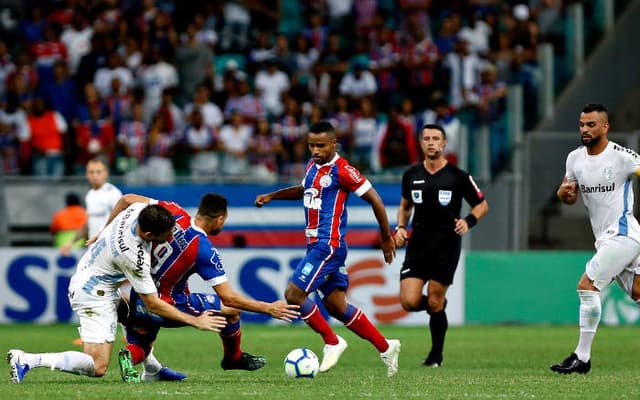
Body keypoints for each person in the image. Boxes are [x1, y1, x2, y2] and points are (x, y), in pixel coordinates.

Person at [7, 203, 227, 384]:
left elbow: (125, 198)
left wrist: (102, 230)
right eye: (165, 236)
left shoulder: (137, 210)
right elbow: (153, 304)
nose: (170, 238)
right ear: (149, 234)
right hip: (92, 295)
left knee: (136, 317)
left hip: (94, 277)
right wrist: (194, 321)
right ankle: (27, 360)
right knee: (97, 365)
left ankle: (152, 370)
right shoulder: (134, 256)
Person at [254, 120, 401, 378]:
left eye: (321, 145)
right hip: (316, 245)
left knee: (293, 293)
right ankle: (386, 346)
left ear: (334, 143)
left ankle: (332, 341)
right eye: (311, 145)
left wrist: (386, 236)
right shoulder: (313, 166)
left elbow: (375, 199)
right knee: (336, 306)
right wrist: (273, 195)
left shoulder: (343, 170)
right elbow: (305, 190)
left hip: (328, 246)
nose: (315, 150)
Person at [100, 193, 299, 382]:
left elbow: (127, 199)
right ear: (220, 219)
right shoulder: (203, 249)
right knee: (230, 312)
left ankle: (130, 356)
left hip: (142, 296)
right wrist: (268, 308)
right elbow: (229, 298)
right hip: (171, 304)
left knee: (142, 343)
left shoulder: (173, 211)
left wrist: (103, 232)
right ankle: (233, 358)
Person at [551, 103, 640, 374]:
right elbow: (567, 193)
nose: (585, 129)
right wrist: (563, 195)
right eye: (581, 124)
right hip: (605, 238)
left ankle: (582, 357)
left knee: (587, 286)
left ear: (605, 127)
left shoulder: (622, 157)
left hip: (623, 233)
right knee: (637, 292)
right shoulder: (574, 159)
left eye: (591, 124)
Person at [394, 123, 489, 368]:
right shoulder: (411, 174)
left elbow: (482, 205)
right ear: (420, 143)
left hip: (446, 243)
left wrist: (468, 221)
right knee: (409, 301)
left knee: (434, 301)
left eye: (436, 138)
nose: (431, 142)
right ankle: (438, 307)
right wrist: (401, 228)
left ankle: (435, 356)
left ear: (444, 143)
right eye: (426, 138)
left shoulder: (458, 176)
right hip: (419, 244)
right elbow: (405, 206)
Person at [61, 158, 122, 256]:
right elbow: (88, 224)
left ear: (106, 173)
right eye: (91, 172)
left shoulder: (113, 193)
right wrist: (71, 243)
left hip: (109, 251)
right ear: (86, 174)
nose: (95, 175)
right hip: (93, 251)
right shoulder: (90, 195)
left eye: (98, 172)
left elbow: (121, 222)